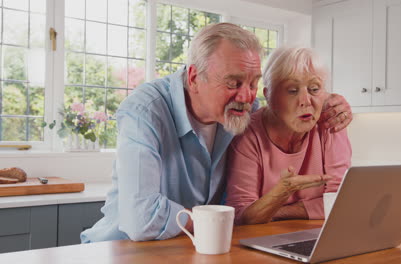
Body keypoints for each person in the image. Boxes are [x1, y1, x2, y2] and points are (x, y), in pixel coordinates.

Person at [81, 23, 352, 243]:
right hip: (121, 249)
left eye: (253, 83)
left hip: (192, 246)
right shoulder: (146, 111)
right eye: (234, 83)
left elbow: (283, 107)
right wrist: (217, 220)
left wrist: (330, 103)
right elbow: (141, 219)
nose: (247, 96)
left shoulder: (240, 110)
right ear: (195, 77)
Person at [225, 46, 352, 225]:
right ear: (269, 96)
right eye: (292, 91)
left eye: (314, 89)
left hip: (318, 233)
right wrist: (285, 192)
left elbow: (340, 201)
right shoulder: (248, 135)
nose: (306, 101)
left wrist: (277, 210)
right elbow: (242, 215)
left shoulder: (330, 122)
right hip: (261, 239)